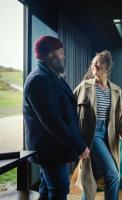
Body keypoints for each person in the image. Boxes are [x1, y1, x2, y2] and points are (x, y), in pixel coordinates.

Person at [23, 35, 90, 200]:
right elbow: (53, 122)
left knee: (46, 190)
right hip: (50, 150)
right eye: (61, 51)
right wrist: (79, 146)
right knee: (59, 189)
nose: (63, 55)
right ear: (51, 54)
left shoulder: (50, 75)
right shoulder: (39, 79)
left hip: (54, 148)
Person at [73, 50, 122, 200]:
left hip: (109, 136)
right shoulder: (84, 87)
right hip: (92, 135)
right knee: (113, 175)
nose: (93, 65)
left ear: (106, 67)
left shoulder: (116, 91)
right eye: (92, 63)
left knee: (91, 178)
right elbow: (69, 109)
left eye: (97, 62)